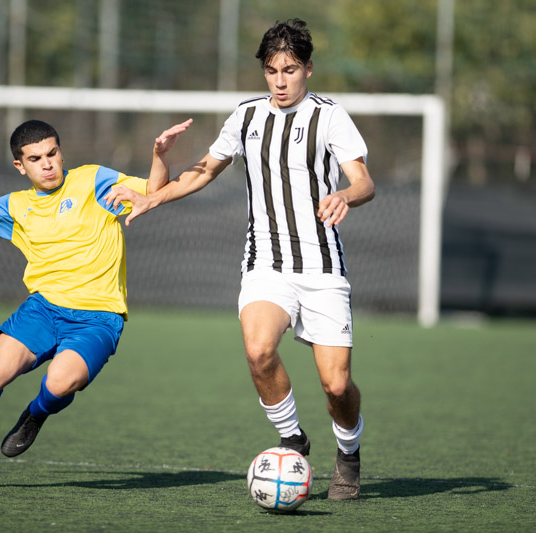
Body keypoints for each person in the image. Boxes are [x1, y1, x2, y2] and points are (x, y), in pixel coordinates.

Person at [105, 19, 375, 500]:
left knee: (337, 386)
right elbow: (204, 170)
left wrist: (345, 196)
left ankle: (348, 454)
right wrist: (154, 196)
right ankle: (292, 440)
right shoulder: (246, 116)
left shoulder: (330, 116)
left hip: (322, 267)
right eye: (272, 70)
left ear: (308, 69)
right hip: (265, 261)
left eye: (290, 70)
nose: (280, 80)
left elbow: (364, 182)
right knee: (257, 350)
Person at [0, 117, 192, 488]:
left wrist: (159, 155)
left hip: (98, 318)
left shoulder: (94, 181)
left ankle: (36, 413)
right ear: (20, 166)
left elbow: (152, 192)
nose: (47, 164)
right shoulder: (14, 206)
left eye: (52, 154)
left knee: (61, 384)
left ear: (61, 153)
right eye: (35, 159)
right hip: (42, 311)